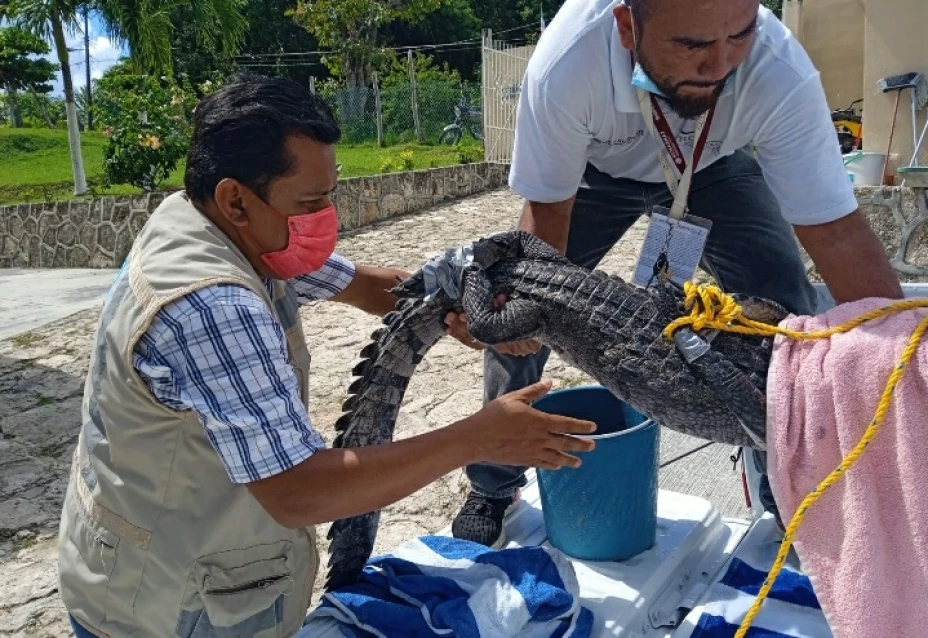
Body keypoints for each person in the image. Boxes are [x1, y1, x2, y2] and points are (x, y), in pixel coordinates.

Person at [57, 75, 600, 638]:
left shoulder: (219, 224)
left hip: (159, 558)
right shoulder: (210, 303)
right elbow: (299, 491)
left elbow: (371, 286)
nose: (324, 219)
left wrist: (460, 310)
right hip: (160, 609)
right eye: (310, 203)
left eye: (329, 197)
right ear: (235, 198)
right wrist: (480, 437)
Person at [450, 0, 904, 548]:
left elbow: (835, 231)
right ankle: (493, 483)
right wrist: (529, 312)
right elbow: (546, 220)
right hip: (594, 175)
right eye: (690, 46)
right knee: (523, 304)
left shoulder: (780, 70)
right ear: (626, 26)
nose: (719, 64)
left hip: (715, 167)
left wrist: (902, 353)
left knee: (790, 307)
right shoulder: (567, 64)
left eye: (738, 37)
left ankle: (789, 493)